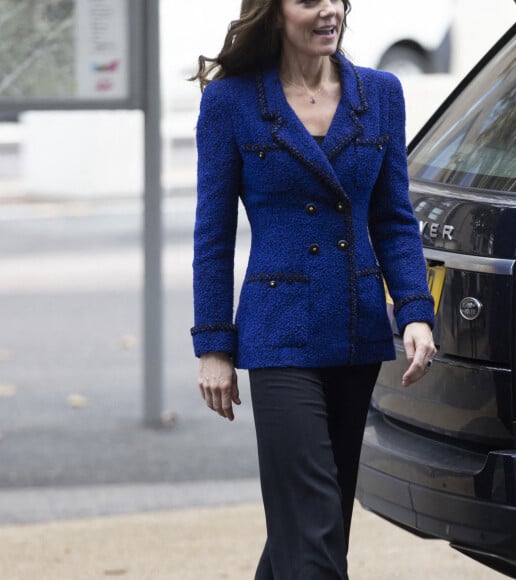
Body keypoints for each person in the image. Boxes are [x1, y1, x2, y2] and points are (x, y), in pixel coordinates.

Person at [190, 0, 437, 577]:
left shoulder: (380, 94)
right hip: (278, 334)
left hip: (355, 329)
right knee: (314, 528)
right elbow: (213, 233)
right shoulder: (231, 103)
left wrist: (416, 309)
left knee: (312, 531)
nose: (329, 10)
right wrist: (214, 345)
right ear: (274, 14)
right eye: (308, 0)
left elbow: (393, 218)